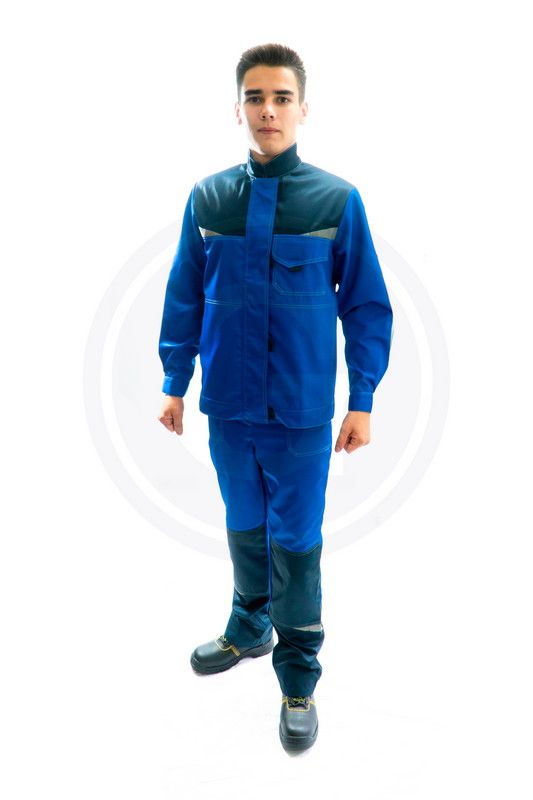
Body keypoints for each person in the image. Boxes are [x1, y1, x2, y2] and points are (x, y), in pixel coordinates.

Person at [157, 43, 393, 752]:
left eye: (281, 97)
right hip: (228, 409)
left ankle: (297, 677)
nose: (268, 109)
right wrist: (173, 383)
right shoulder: (208, 200)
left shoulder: (335, 200)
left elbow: (365, 306)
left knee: (295, 540)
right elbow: (183, 297)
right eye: (255, 97)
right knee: (242, 523)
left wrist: (362, 399)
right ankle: (248, 626)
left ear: (302, 108)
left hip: (299, 413)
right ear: (237, 110)